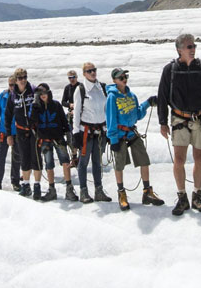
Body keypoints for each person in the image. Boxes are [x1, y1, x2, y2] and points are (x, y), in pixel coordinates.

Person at [157, 32, 201, 216]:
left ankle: (197, 195)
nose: (193, 49)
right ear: (179, 49)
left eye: (194, 46)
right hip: (179, 119)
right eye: (189, 47)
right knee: (180, 160)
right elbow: (162, 96)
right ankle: (182, 197)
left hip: (200, 119)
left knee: (200, 159)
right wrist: (162, 122)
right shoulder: (170, 70)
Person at [106, 68, 163, 211]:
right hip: (119, 135)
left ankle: (147, 192)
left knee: (144, 160)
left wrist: (147, 104)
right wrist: (113, 140)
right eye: (120, 77)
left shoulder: (131, 95)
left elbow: (137, 114)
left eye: (125, 76)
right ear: (114, 80)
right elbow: (110, 119)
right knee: (119, 164)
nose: (124, 79)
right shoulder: (112, 97)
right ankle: (121, 193)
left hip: (132, 133)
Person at [70, 62, 111, 203]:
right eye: (89, 71)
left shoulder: (102, 88)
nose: (92, 73)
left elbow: (106, 110)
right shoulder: (80, 90)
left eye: (94, 70)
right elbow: (76, 113)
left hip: (100, 131)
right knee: (83, 162)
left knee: (97, 162)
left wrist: (108, 130)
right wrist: (75, 133)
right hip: (85, 132)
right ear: (84, 74)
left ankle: (99, 191)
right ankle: (83, 191)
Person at [30, 83, 76, 202]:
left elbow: (64, 121)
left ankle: (69, 189)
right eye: (40, 94)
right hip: (44, 140)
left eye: (44, 93)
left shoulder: (56, 105)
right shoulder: (36, 107)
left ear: (48, 92)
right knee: (49, 165)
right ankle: (52, 190)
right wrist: (34, 107)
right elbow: (31, 123)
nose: (42, 96)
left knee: (65, 163)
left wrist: (69, 137)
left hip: (58, 138)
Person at [3, 67, 37, 197]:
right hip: (20, 131)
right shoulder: (12, 96)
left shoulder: (33, 91)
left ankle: (37, 185)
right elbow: (7, 115)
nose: (23, 80)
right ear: (16, 80)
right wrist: (9, 135)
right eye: (20, 78)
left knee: (36, 158)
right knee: (24, 158)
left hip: (34, 130)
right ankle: (26, 185)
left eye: (25, 77)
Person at [0, 75, 21, 189]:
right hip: (3, 132)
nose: (12, 87)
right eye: (10, 85)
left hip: (17, 133)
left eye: (14, 85)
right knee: (0, 158)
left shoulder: (20, 97)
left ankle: (15, 182)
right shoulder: (2, 97)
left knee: (16, 159)